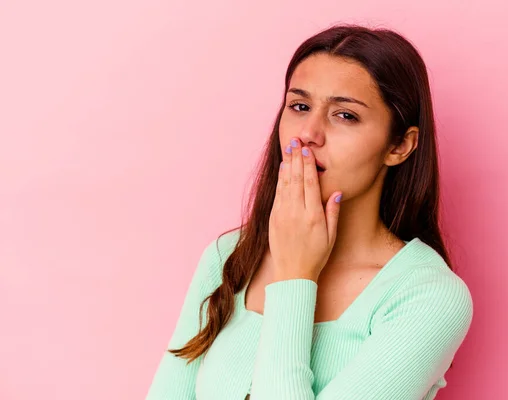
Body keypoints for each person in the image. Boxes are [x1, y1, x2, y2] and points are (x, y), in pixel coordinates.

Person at [146, 23, 474, 400]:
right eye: (299, 106)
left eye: (345, 115)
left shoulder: (428, 296)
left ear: (399, 145)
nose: (308, 134)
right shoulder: (228, 258)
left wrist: (295, 277)